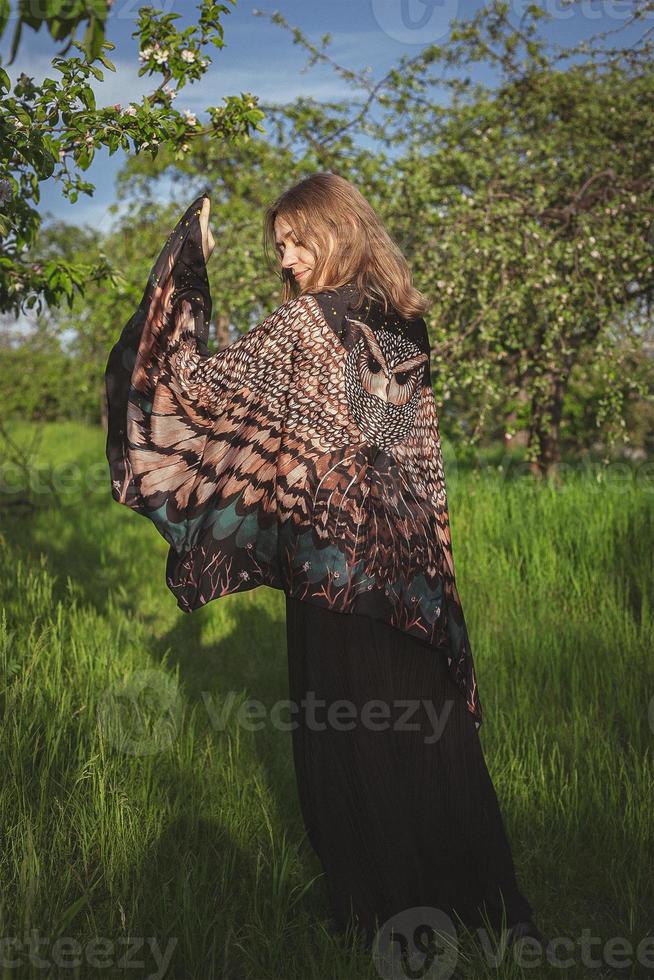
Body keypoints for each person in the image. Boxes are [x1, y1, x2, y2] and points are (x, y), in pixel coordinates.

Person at [105, 173, 544, 953]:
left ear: (335, 232)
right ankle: (481, 905)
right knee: (427, 730)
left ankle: (382, 915)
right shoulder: (403, 322)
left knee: (348, 735)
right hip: (407, 567)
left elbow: (186, 390)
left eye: (297, 241)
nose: (288, 260)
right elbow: (388, 446)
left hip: (333, 563)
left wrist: (186, 265)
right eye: (279, 247)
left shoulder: (308, 324)